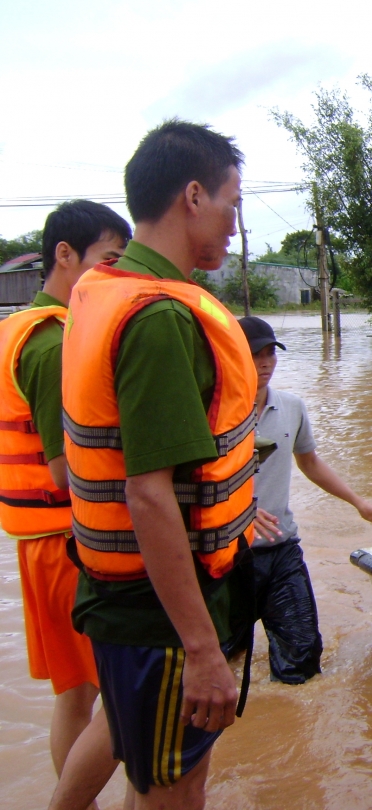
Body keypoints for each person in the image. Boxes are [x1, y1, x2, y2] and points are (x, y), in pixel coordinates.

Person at [60, 120, 256, 810]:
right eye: (233, 205)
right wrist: (203, 649)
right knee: (173, 791)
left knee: (154, 775)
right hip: (162, 613)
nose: (235, 226)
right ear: (194, 196)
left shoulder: (103, 289)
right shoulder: (159, 319)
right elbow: (148, 494)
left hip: (132, 600)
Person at [0, 201, 128, 809]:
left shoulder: (16, 327)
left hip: (38, 542)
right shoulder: (52, 343)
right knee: (124, 693)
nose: (113, 277)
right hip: (68, 540)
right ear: (65, 255)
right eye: (107, 262)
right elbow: (65, 466)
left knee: (74, 692)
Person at [238, 315, 372, 684]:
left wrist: (359, 503)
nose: (264, 363)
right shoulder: (212, 412)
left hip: (281, 549)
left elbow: (309, 462)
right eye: (254, 354)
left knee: (303, 662)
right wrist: (238, 510)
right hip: (226, 557)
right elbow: (189, 481)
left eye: (269, 354)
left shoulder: (291, 407)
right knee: (224, 661)